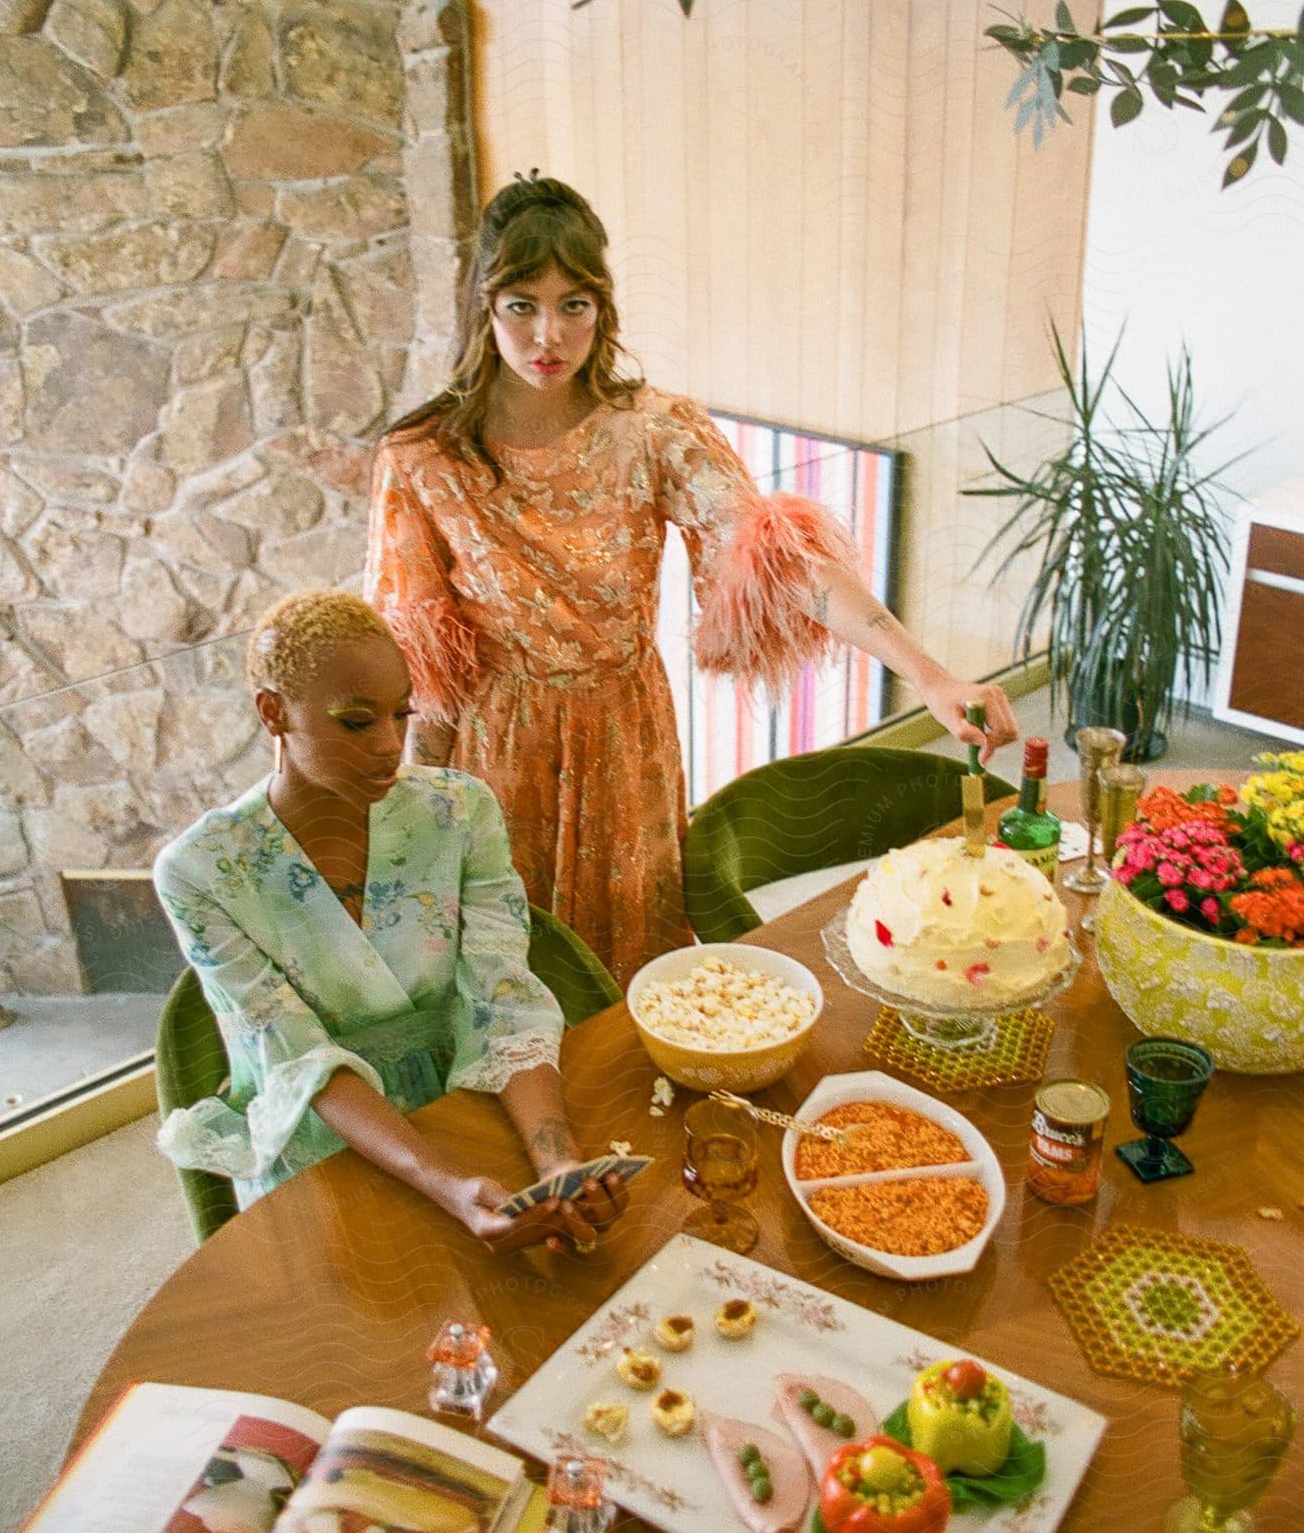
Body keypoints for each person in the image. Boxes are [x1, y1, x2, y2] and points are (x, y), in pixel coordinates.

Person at [365, 176, 1018, 986]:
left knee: (634, 960)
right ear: (484, 306)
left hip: (625, 735)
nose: (548, 333)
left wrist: (930, 675)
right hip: (497, 749)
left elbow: (780, 561)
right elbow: (427, 666)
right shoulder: (425, 456)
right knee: (506, 969)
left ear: (602, 309)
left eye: (575, 304)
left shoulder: (651, 428)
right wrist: (409, 812)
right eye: (521, 304)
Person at [154, 588, 623, 1254]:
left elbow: (503, 996)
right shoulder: (201, 871)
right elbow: (301, 1059)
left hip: (472, 1092)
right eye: (356, 721)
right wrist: (448, 1186)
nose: (389, 746)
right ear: (273, 712)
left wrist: (557, 1163)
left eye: (402, 713)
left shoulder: (459, 812)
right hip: (328, 1142)